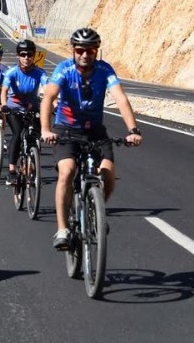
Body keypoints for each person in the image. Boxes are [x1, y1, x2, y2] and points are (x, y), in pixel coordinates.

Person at [40, 28, 143, 250]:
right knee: (67, 171)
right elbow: (48, 97)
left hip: (95, 131)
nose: (85, 54)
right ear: (73, 50)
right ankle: (63, 229)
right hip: (66, 130)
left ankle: (96, 211)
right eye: (80, 50)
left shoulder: (105, 70)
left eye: (91, 50)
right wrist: (46, 129)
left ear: (96, 51)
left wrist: (133, 129)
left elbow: (121, 99)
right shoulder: (63, 69)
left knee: (108, 173)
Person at [1, 39, 47, 186]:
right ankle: (12, 171)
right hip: (13, 108)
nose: (27, 58)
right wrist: (4, 105)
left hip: (32, 107)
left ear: (34, 56)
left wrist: (53, 103)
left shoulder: (40, 72)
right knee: (18, 133)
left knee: (36, 134)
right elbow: (4, 92)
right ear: (18, 56)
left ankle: (32, 159)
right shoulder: (12, 72)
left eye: (30, 55)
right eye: (23, 54)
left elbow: (48, 90)